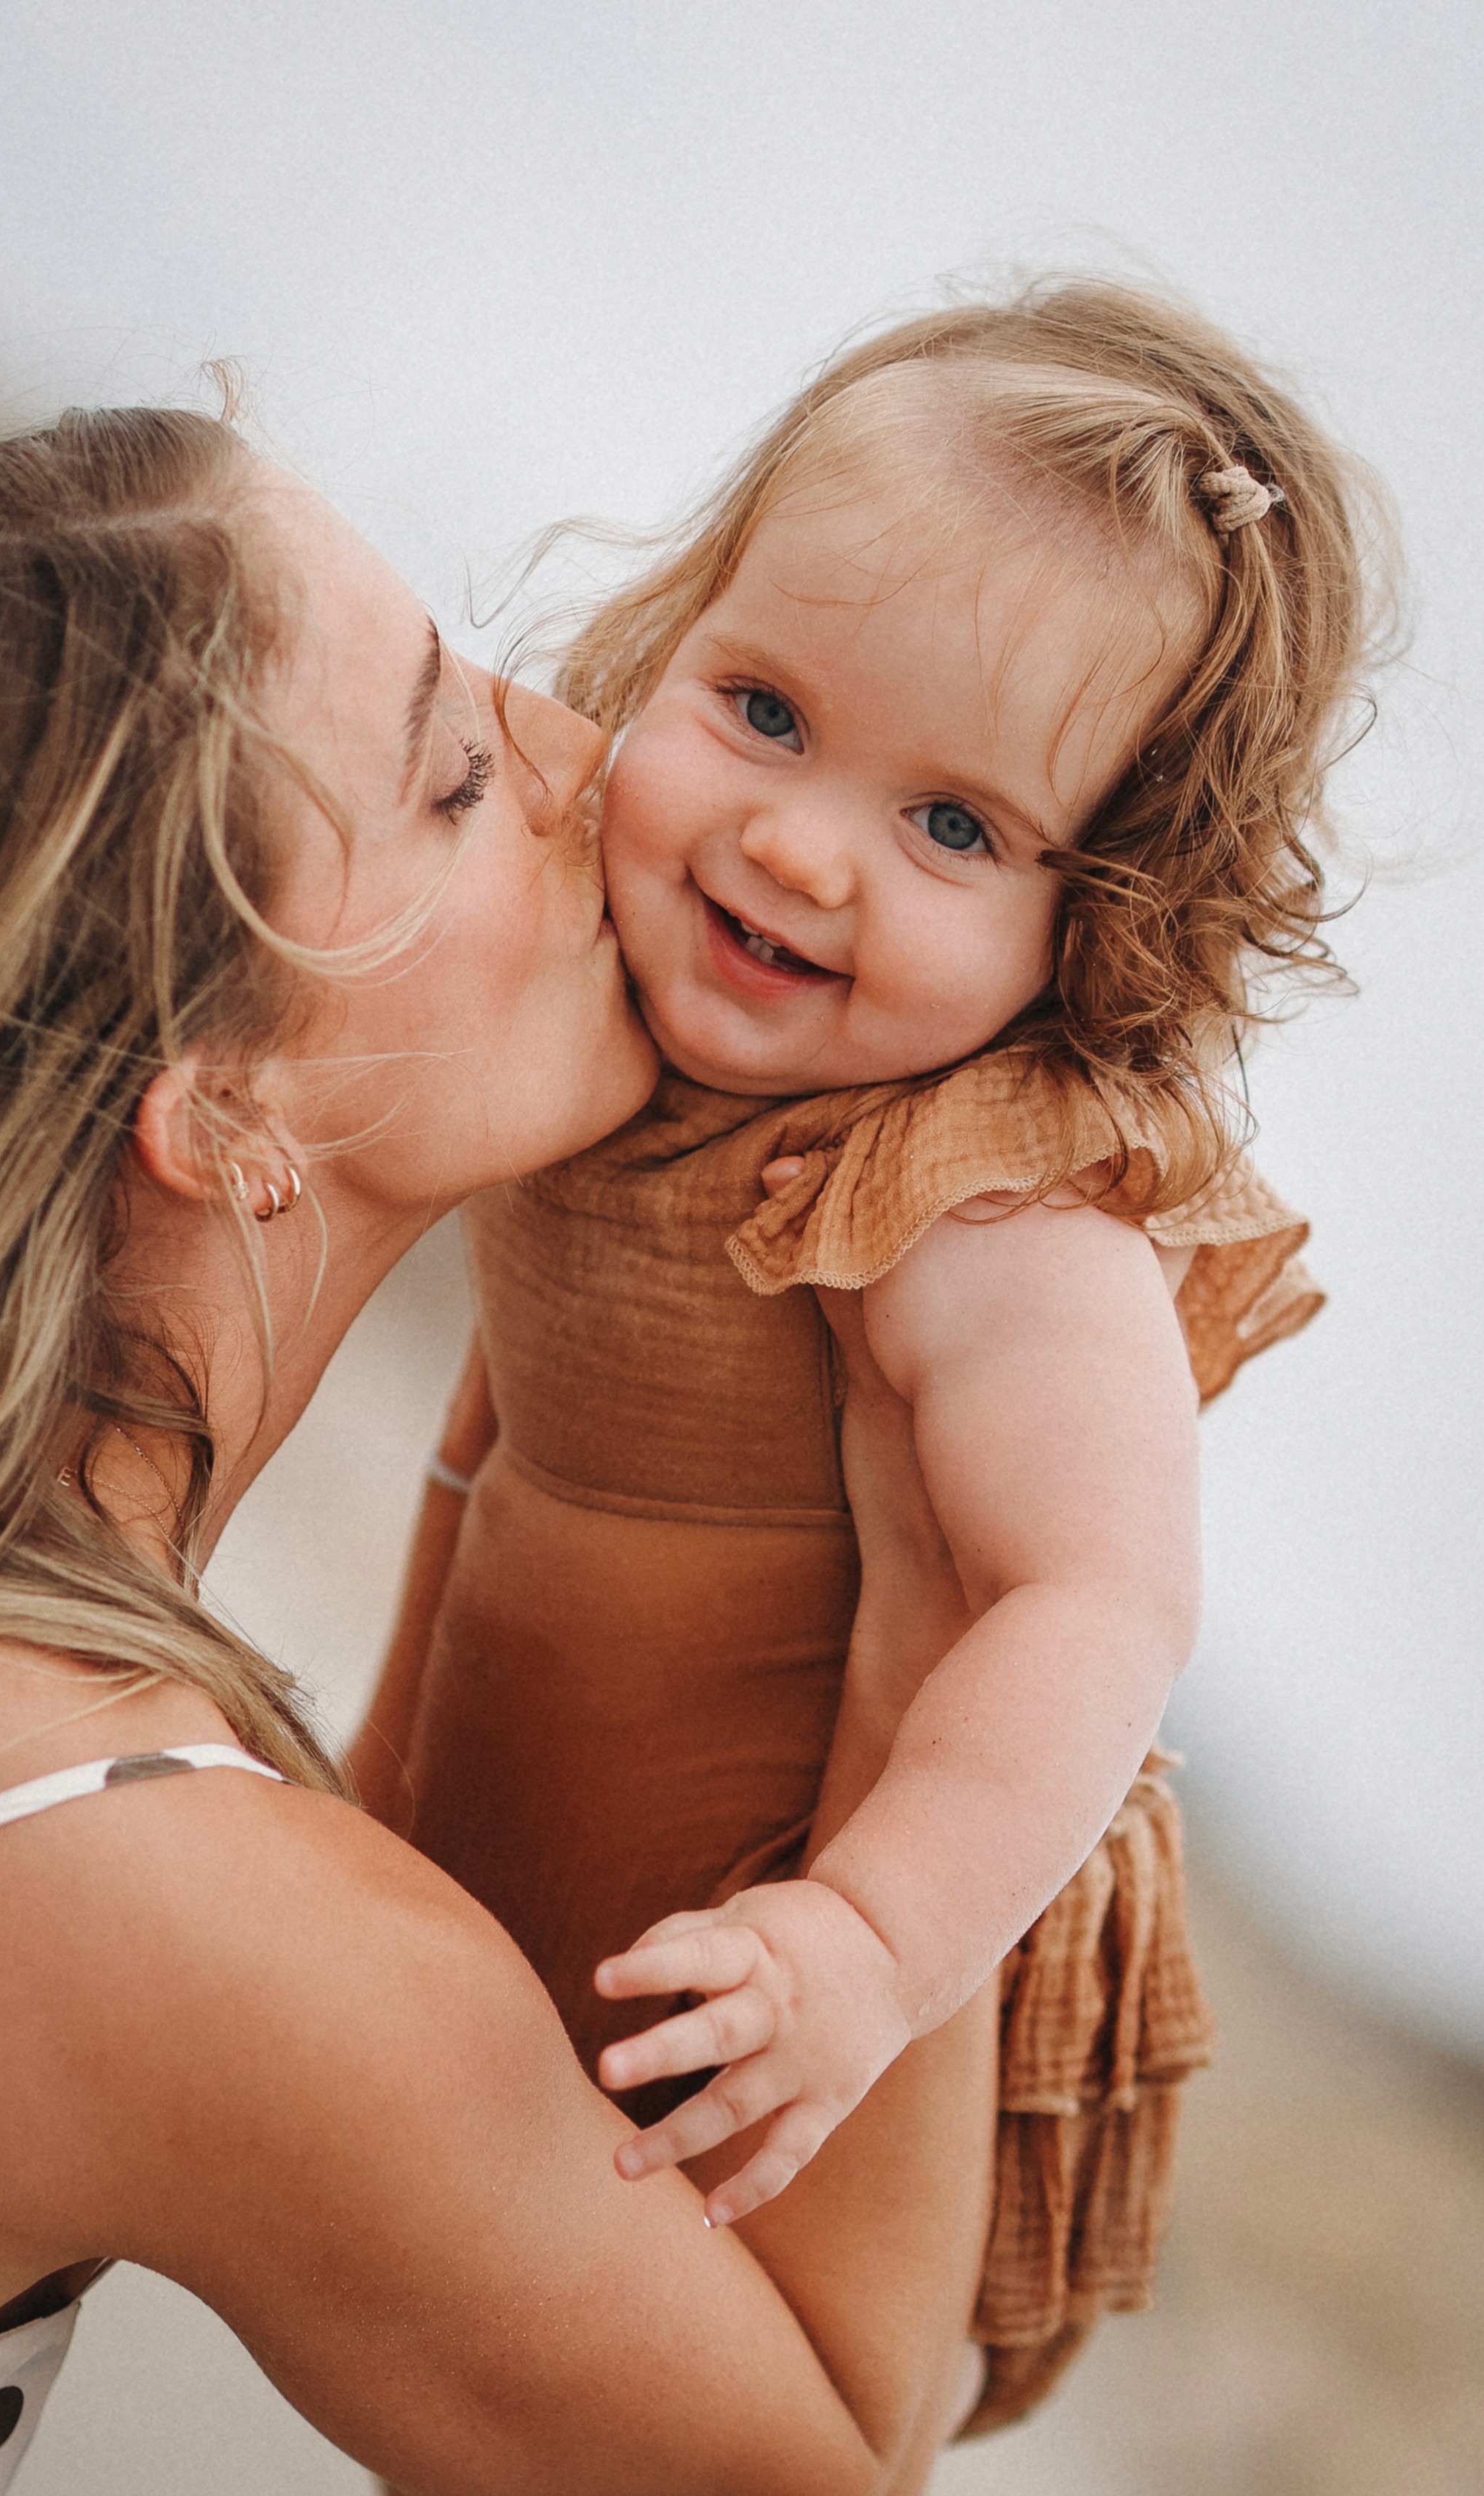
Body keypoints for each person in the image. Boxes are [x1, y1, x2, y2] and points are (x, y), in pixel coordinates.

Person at [0, 407, 985, 2495]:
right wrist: (954, 1594)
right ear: (227, 1103)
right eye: (454, 778)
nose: (576, 751)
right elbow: (821, 2454)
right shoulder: (120, 1862)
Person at [355, 280, 1386, 2437]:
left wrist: (872, 1948)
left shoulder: (980, 1199)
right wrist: (382, 1763)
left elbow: (1099, 1595)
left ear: (1099, 921)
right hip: (536, 1926)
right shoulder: (619, 1005)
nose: (798, 844)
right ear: (684, 620)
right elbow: (496, 1445)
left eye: (954, 829)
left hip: (805, 2009)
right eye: (764, 707)